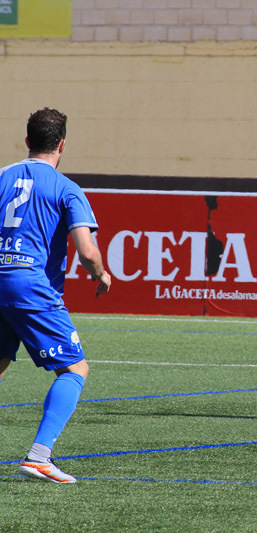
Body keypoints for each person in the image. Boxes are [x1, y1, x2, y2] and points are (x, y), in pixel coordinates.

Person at [0, 108, 111, 483]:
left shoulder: (2, 176)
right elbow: (88, 251)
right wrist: (101, 274)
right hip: (31, 286)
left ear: (27, 141)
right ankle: (39, 456)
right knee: (75, 369)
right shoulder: (67, 189)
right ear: (62, 145)